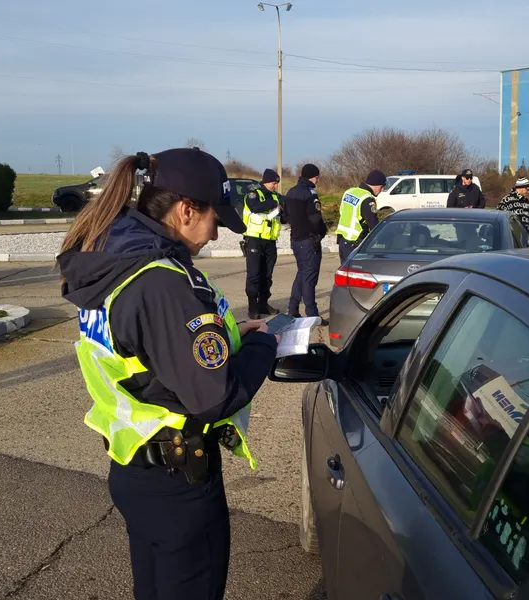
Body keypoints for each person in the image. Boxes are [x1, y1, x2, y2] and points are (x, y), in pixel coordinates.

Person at [56, 148, 280, 600]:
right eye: (216, 216)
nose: (218, 231)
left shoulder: (115, 263)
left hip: (135, 469)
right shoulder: (161, 281)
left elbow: (152, 352)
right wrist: (264, 345)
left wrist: (236, 331)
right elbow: (213, 395)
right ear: (185, 210)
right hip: (179, 484)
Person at [284, 163, 328, 324]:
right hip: (309, 240)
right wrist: (321, 232)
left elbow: (286, 215)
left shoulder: (291, 192)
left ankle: (293, 309)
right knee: (309, 277)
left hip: (296, 239)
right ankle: (312, 315)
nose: (317, 181)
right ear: (313, 177)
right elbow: (316, 219)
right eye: (317, 177)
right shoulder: (310, 194)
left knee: (302, 274)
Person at [243, 168, 283, 319]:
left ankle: (263, 304)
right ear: (266, 181)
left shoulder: (275, 197)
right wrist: (273, 203)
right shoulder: (253, 194)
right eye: (274, 183)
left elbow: (280, 216)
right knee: (254, 275)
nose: (275, 186)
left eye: (276, 183)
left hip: (270, 241)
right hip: (254, 240)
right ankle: (252, 308)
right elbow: (255, 207)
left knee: (267, 276)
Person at [335, 169, 386, 262]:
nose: (382, 190)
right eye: (382, 186)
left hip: (342, 241)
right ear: (376, 184)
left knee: (345, 274)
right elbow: (373, 225)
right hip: (355, 243)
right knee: (355, 274)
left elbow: (342, 211)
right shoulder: (367, 199)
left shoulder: (349, 192)